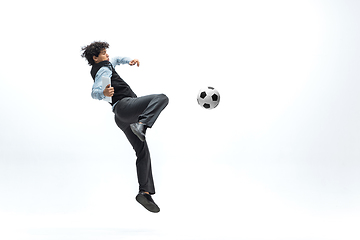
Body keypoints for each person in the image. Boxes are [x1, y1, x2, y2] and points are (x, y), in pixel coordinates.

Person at [81, 41, 169, 213]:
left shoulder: (107, 63)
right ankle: (142, 124)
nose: (107, 55)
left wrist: (129, 60)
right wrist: (103, 93)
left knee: (142, 151)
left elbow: (116, 59)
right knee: (161, 98)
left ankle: (144, 192)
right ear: (95, 58)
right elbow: (94, 91)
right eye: (104, 53)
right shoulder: (102, 70)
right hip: (125, 107)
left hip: (121, 117)